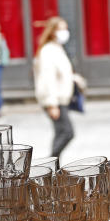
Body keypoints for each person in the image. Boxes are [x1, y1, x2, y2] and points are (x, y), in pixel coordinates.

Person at [34, 16, 77, 158]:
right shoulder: (48, 51)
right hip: (55, 100)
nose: (65, 32)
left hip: (60, 99)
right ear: (53, 31)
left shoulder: (57, 48)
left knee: (60, 132)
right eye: (61, 29)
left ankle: (54, 166)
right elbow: (47, 78)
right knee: (67, 132)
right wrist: (52, 104)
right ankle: (51, 162)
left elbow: (62, 72)